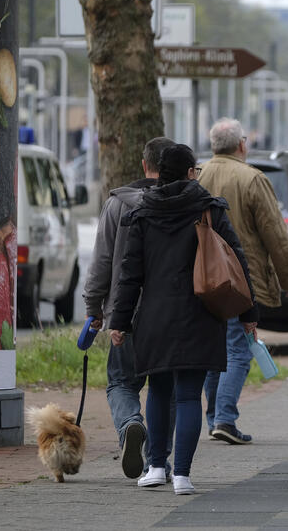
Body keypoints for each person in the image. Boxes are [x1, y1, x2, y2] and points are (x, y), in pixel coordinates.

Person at [109, 144, 259, 495]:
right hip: (200, 316)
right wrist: (249, 314)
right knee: (189, 396)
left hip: (154, 317)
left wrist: (119, 321)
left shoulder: (142, 213)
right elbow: (237, 262)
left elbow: (130, 274)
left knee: (158, 392)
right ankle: (183, 476)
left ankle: (157, 467)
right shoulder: (209, 209)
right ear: (191, 172)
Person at [198, 118, 288, 445]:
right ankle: (225, 418)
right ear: (242, 145)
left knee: (213, 350)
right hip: (242, 278)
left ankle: (214, 418)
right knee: (238, 349)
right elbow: (277, 236)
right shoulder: (253, 179)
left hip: (202, 278)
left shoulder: (197, 175)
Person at [83, 136, 175, 479]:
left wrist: (94, 308)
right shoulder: (181, 203)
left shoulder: (118, 204)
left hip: (126, 313)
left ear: (143, 164)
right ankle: (159, 461)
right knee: (167, 387)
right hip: (170, 313)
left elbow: (102, 261)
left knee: (122, 383)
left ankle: (130, 424)